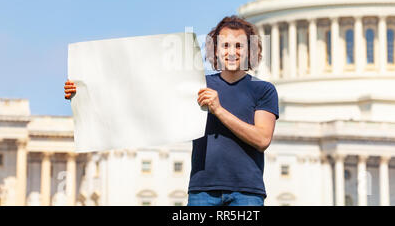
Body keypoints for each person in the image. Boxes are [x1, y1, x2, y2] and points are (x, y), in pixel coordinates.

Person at [64, 15, 279, 206]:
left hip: (247, 192)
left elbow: (262, 139)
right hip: (202, 190)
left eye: (239, 46)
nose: (231, 52)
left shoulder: (263, 90)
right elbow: (139, 98)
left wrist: (219, 110)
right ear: (215, 50)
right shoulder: (197, 84)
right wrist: (83, 92)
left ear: (250, 50)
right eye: (225, 46)